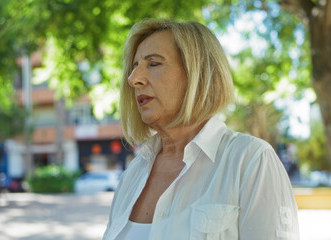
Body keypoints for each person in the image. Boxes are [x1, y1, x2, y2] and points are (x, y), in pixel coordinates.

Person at [103, 19, 299, 240]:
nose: (133, 79)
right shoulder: (133, 173)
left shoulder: (251, 161)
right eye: (134, 66)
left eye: (154, 63)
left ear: (197, 74)